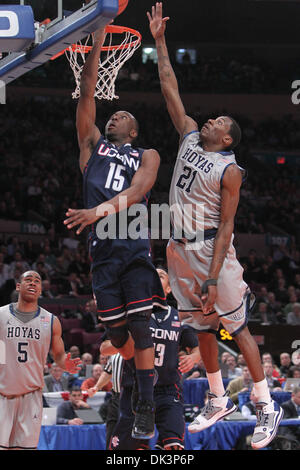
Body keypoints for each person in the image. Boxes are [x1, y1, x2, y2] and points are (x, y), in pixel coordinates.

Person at [148, 2, 283, 450]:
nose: (211, 119)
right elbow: (171, 89)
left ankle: (266, 405)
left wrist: (211, 274)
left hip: (211, 253)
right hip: (178, 248)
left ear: (226, 139)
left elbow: (227, 227)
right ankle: (217, 397)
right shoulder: (188, 136)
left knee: (236, 327)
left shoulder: (231, 170)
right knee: (203, 328)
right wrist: (161, 41)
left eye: (220, 122)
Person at [63, 24, 167, 440]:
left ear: (134, 131)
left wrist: (97, 210)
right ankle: (138, 386)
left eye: (123, 115)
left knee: (142, 328)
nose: (115, 114)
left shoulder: (148, 154)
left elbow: (140, 191)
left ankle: (145, 402)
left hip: (133, 244)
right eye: (113, 113)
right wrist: (99, 35)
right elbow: (88, 89)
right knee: (119, 335)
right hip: (102, 254)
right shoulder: (90, 146)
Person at [107, 268, 199, 451]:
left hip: (168, 390)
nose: (155, 277)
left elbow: (197, 347)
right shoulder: (131, 312)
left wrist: (194, 357)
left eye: (162, 275)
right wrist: (130, 339)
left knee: (174, 447)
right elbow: (104, 348)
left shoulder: (179, 316)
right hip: (136, 389)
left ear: (168, 289)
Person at [0, 270, 81, 450]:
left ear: (40, 290)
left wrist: (64, 364)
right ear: (18, 286)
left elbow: (58, 355)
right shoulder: (1, 315)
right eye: (28, 280)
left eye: (37, 281)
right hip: (3, 394)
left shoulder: (51, 321)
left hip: (32, 395)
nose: (33, 283)